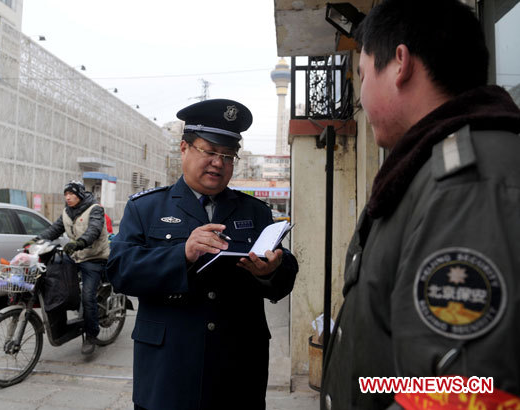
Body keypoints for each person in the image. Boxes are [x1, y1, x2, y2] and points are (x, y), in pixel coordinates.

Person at [320, 0, 520, 408]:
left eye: (362, 74)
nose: (360, 95)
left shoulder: (466, 182)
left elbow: (462, 393)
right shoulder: (424, 168)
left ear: (400, 63)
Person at [106, 99, 299, 409]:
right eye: (209, 151)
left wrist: (271, 272)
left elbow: (285, 273)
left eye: (227, 155)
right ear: (184, 148)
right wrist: (181, 253)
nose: (218, 163)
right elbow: (118, 270)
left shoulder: (255, 211)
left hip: (237, 372)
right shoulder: (146, 208)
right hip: (168, 371)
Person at [27, 181, 110, 354]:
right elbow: (54, 230)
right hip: (75, 257)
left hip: (93, 258)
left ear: (79, 194)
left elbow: (94, 230)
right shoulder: (66, 212)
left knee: (88, 297)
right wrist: (35, 241)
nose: (68, 197)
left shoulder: (95, 209)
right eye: (65, 194)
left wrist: (79, 243)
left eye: (71, 194)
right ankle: (63, 327)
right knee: (55, 284)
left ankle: (91, 335)